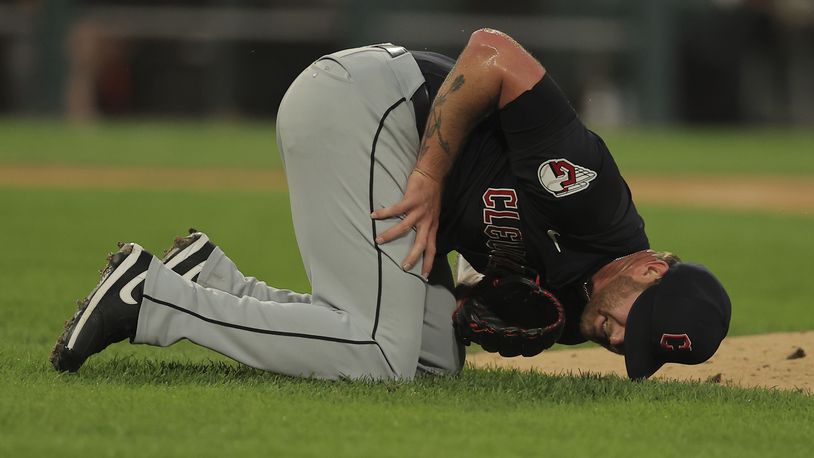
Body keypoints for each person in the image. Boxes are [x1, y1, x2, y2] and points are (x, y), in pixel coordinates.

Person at [51, 29, 731, 381]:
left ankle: (213, 280)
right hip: (371, 104)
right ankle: (154, 301)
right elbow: (493, 52)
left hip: (383, 138)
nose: (615, 338)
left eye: (632, 347)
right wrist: (432, 173)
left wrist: (468, 313)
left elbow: (483, 286)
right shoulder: (591, 196)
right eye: (631, 324)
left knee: (431, 358)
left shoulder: (585, 311)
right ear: (650, 268)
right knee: (378, 355)